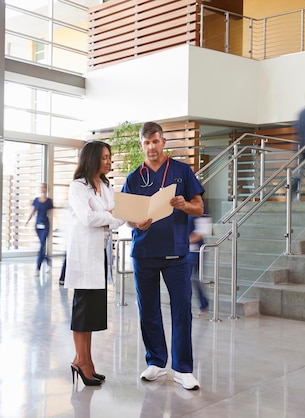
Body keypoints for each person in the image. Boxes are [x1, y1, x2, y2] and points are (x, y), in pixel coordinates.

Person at [121, 121, 205, 391]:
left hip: (176, 253)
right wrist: (137, 223)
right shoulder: (134, 177)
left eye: (155, 141)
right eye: (146, 143)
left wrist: (185, 204)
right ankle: (156, 362)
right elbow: (127, 217)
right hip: (144, 252)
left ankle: (183, 369)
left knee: (182, 310)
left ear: (163, 142)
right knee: (148, 310)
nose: (151, 147)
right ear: (141, 145)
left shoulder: (181, 171)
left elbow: (199, 207)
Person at [65, 141, 124, 386]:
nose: (109, 161)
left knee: (92, 313)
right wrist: (109, 217)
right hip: (83, 256)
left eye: (110, 157)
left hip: (99, 255)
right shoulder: (78, 187)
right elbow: (87, 218)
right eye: (105, 157)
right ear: (92, 159)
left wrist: (108, 218)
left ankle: (85, 361)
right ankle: (81, 361)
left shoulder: (106, 186)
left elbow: (118, 218)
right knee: (82, 310)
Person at [187, 214, 212, 317]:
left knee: (192, 278)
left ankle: (203, 304)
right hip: (186, 250)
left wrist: (184, 241)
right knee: (191, 279)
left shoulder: (201, 212)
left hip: (196, 251)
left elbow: (201, 232)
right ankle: (203, 304)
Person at [26, 183, 53, 272]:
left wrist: (54, 225)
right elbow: (33, 211)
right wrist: (27, 221)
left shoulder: (49, 201)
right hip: (38, 225)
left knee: (42, 245)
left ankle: (38, 268)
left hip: (46, 225)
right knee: (42, 246)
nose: (43, 189)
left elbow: (51, 214)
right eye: (41, 187)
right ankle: (48, 261)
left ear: (46, 189)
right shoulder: (36, 200)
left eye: (44, 187)